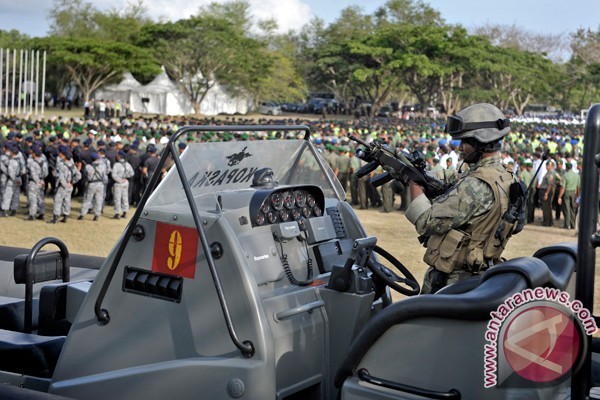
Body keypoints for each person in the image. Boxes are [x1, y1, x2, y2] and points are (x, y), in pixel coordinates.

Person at [405, 103, 515, 294]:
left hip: (453, 282)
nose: (461, 148)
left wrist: (414, 185)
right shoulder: (504, 175)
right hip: (478, 276)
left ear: (481, 143)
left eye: (465, 142)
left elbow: (426, 222)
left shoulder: (476, 184)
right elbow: (455, 179)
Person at [78, 152, 107, 221]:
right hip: (100, 183)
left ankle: (82, 214)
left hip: (91, 183)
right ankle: (97, 215)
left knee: (87, 199)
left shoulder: (88, 166)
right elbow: (104, 175)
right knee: (99, 200)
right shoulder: (103, 166)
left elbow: (85, 174)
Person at [112, 150, 134, 219]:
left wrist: (120, 180)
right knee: (125, 197)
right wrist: (126, 178)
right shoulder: (127, 164)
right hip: (126, 182)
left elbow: (114, 175)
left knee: (117, 198)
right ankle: (125, 212)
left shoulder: (116, 165)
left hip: (118, 182)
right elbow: (132, 173)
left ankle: (117, 213)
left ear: (119, 156)